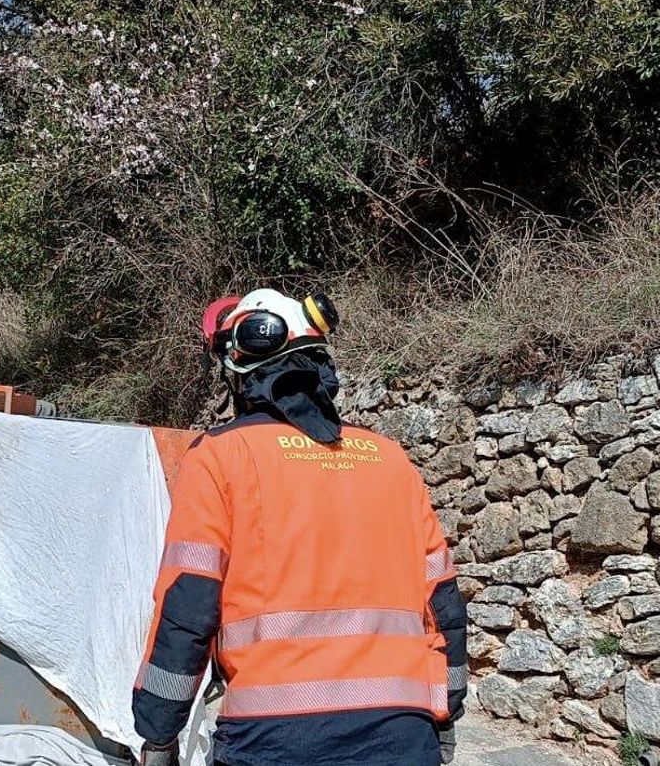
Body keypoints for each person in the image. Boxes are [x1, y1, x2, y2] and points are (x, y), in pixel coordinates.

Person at [133, 289, 468, 766]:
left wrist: (159, 732)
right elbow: (444, 603)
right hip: (402, 733)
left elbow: (188, 604)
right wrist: (446, 714)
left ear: (239, 368)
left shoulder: (219, 457)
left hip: (274, 740)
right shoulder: (391, 460)